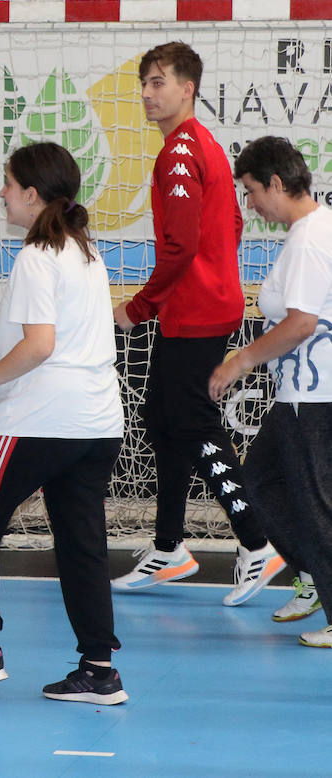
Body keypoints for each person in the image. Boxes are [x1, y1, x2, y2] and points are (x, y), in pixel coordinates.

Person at [0, 142, 127, 705]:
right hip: (97, 420)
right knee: (82, 543)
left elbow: (39, 346)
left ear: (34, 195)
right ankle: (98, 670)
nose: (2, 195)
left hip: (41, 417)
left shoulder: (38, 256)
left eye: (9, 185)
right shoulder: (85, 251)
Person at [111, 42, 284, 605]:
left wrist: (137, 310)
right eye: (144, 83)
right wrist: (212, 275)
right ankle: (168, 547)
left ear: (187, 88)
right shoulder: (202, 143)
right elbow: (230, 221)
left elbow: (182, 245)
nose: (147, 93)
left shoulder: (180, 152)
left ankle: (258, 544)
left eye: (158, 82)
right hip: (199, 307)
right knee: (161, 419)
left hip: (196, 313)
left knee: (192, 424)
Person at [210, 136, 332, 646]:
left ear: (277, 184)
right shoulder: (311, 230)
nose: (249, 203)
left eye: (252, 191)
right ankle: (310, 574)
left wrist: (239, 361)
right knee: (259, 483)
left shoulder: (309, 237)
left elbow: (302, 322)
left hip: (315, 396)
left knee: (315, 503)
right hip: (296, 397)